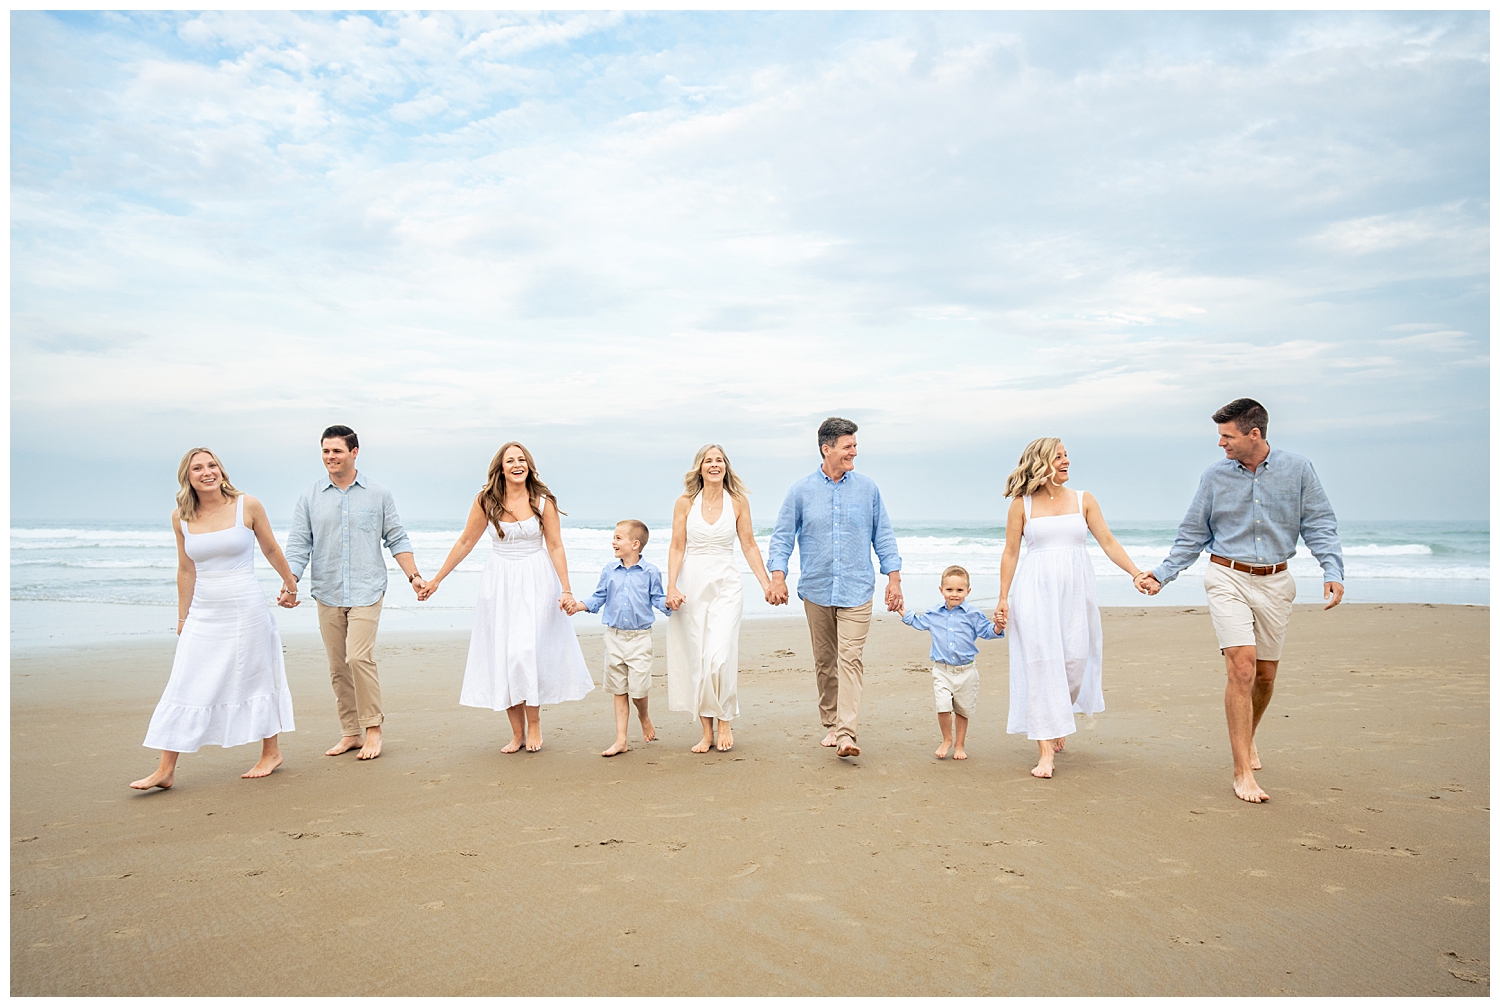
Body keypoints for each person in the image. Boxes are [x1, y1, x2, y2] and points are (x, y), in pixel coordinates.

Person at [1139, 398, 1344, 804]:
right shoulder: (1214, 477)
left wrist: (1332, 571)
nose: (1220, 444)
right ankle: (1242, 771)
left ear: (1255, 434)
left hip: (1275, 581)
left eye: (1227, 435)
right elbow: (1192, 533)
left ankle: (1247, 736)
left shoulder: (1298, 470)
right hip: (1226, 575)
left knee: (1266, 675)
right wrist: (1162, 574)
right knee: (1242, 665)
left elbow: (1319, 522)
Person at [131, 448, 299, 790]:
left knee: (256, 675)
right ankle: (165, 769)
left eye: (212, 465)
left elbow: (270, 548)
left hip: (246, 608)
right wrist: (183, 617)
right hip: (204, 612)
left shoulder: (246, 505)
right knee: (186, 680)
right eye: (198, 468)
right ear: (187, 477)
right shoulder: (180, 516)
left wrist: (290, 582)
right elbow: (186, 568)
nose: (207, 472)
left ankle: (271, 752)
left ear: (221, 470)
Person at [419, 442, 593, 753]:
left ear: (529, 465)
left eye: (522, 459)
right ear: (501, 467)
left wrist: (566, 589)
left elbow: (555, 546)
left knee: (525, 651)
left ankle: (535, 723)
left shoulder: (542, 501)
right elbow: (465, 542)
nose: (517, 464)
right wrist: (437, 579)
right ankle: (517, 733)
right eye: (510, 460)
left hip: (536, 579)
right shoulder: (487, 500)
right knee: (505, 654)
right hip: (499, 581)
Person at [995, 438, 1150, 780]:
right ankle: (1045, 750)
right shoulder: (1022, 505)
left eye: (1066, 455)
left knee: (1075, 659)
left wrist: (1136, 573)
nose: (1066, 461)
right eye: (1059, 456)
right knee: (1040, 664)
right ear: (1041, 463)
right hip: (1034, 590)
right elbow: (1010, 552)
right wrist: (1003, 597)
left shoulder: (1084, 500)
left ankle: (1058, 714)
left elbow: (1108, 541)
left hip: (1076, 591)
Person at [286, 425, 425, 761]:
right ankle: (350, 732)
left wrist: (414, 577)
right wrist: (290, 583)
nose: (330, 457)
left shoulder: (378, 494)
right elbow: (298, 545)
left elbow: (396, 537)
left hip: (367, 589)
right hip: (328, 590)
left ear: (354, 452)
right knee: (337, 666)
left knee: (358, 657)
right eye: (325, 451)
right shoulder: (310, 497)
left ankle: (373, 729)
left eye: (336, 451)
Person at [768, 417, 902, 759]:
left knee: (850, 659)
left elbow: (882, 535)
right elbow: (782, 536)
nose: (854, 452)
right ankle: (831, 722)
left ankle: (846, 733)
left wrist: (894, 579)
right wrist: (778, 575)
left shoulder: (868, 489)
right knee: (825, 661)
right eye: (848, 446)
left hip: (858, 588)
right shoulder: (800, 491)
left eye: (855, 445)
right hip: (816, 589)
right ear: (827, 449)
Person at [664, 445, 776, 754]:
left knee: (720, 654)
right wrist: (671, 586)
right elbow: (676, 547)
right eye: (708, 460)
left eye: (719, 460)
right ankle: (706, 731)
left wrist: (767, 584)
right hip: (693, 585)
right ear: (699, 468)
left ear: (726, 466)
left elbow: (749, 545)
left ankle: (725, 718)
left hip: (726, 584)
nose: (715, 465)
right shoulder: (685, 503)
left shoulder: (738, 502)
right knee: (699, 657)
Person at [564, 520, 670, 757]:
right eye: (614, 537)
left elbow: (657, 598)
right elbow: (598, 597)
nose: (614, 541)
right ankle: (621, 739)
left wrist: (671, 604)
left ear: (635, 544)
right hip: (613, 637)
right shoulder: (609, 571)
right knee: (619, 689)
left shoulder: (650, 571)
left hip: (640, 637)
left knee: (639, 690)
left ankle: (643, 716)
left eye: (619, 538)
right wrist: (578, 606)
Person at [898, 565, 1001, 761]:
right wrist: (902, 611)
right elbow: (919, 622)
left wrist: (997, 627)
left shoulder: (973, 614)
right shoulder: (935, 613)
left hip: (967, 670)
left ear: (968, 591)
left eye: (960, 590)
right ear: (941, 590)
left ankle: (960, 745)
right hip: (942, 670)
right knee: (943, 706)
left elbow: (987, 631)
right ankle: (947, 739)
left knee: (962, 710)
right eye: (950, 590)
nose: (954, 594)